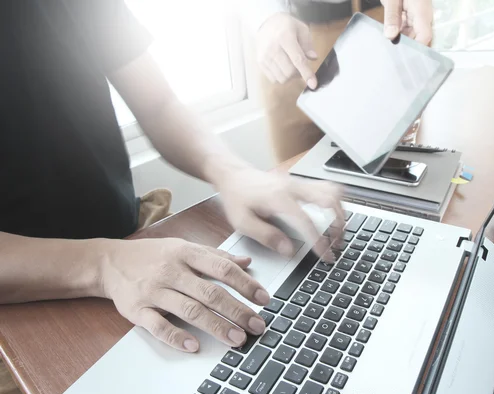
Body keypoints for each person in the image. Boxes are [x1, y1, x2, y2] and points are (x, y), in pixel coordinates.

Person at [0, 0, 345, 353]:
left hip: (132, 240)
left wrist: (232, 173)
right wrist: (104, 263)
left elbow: (158, 105)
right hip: (24, 302)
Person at [241, 0, 435, 162]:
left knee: (395, 181)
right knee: (300, 190)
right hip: (287, 43)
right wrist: (264, 17)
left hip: (380, 24)